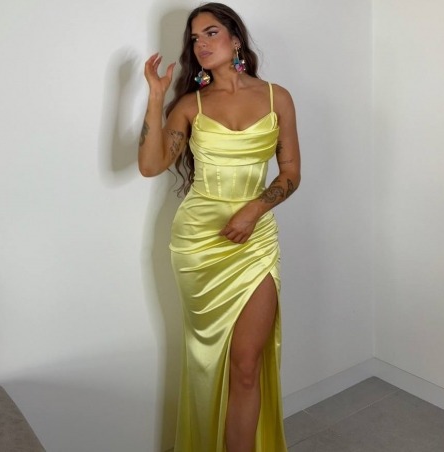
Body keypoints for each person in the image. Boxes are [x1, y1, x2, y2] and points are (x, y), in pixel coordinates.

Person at [139, 3, 300, 451]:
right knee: (208, 361)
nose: (201, 44)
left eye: (211, 32)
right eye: (195, 38)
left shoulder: (277, 98)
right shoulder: (191, 105)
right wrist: (156, 98)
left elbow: (290, 173)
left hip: (255, 239)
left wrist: (254, 210)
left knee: (247, 365)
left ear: (235, 39)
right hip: (199, 243)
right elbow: (151, 165)